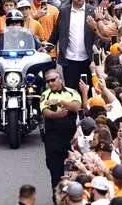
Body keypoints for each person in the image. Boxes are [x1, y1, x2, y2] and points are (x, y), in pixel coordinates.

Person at [40, 69, 81, 200]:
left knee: (74, 172)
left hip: (70, 138)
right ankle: (57, 201)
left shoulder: (72, 92)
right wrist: (57, 115)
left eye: (53, 80)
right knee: (55, 172)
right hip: (53, 138)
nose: (50, 83)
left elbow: (76, 107)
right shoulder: (45, 95)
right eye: (48, 81)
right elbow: (45, 112)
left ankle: (73, 199)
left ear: (60, 79)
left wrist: (59, 102)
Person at [49, 0, 97, 93]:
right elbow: (56, 31)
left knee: (88, 91)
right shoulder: (64, 11)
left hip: (87, 59)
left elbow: (98, 33)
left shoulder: (92, 11)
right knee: (71, 91)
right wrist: (48, 46)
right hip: (69, 59)